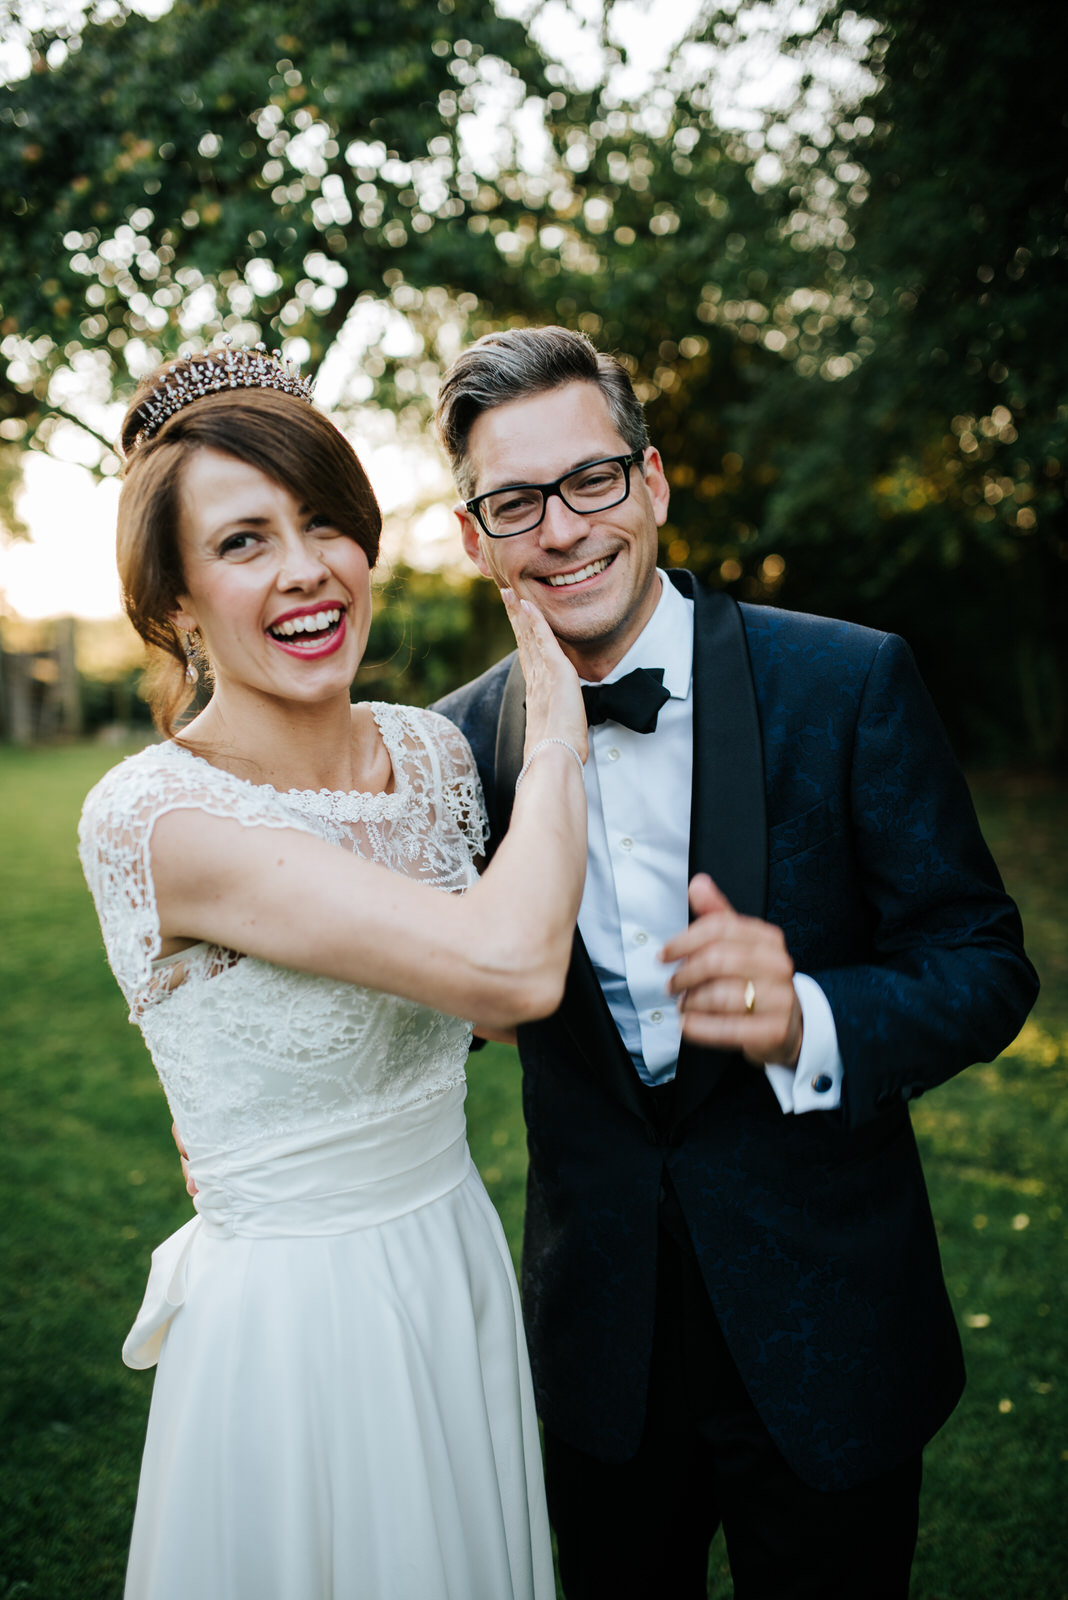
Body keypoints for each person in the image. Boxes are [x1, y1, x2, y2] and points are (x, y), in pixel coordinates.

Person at [431, 325, 1039, 1600]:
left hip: (831, 1333)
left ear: (652, 483)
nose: (562, 528)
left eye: (592, 480)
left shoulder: (848, 680)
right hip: (598, 1349)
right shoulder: (454, 746)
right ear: (477, 533)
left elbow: (984, 961)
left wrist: (812, 1014)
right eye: (515, 501)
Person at [77, 343, 588, 1600]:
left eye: (324, 524)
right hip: (303, 1317)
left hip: (454, 1255)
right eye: (243, 542)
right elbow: (514, 970)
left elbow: (497, 1028)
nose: (305, 570)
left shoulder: (433, 758)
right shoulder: (155, 819)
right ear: (177, 602)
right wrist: (564, 738)